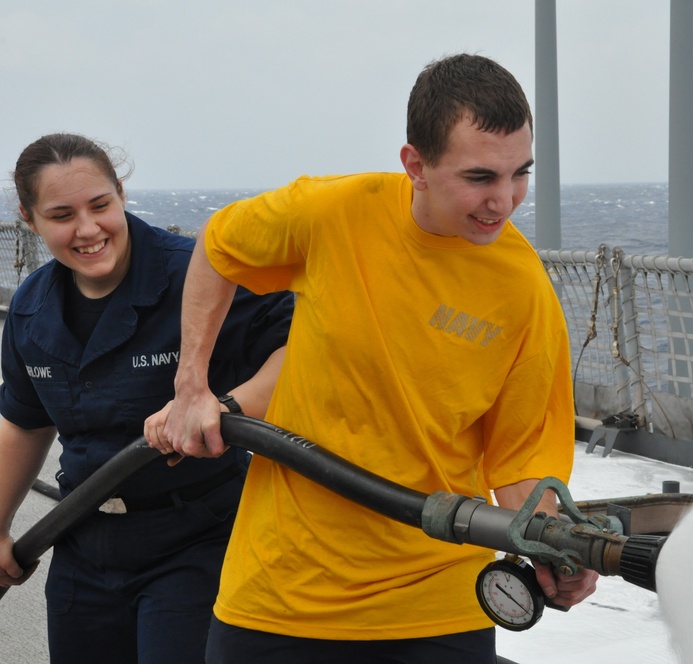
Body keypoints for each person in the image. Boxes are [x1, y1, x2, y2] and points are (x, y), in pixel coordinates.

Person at [157, 53, 598, 662]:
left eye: (519, 173)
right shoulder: (332, 213)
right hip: (281, 595)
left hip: (436, 604)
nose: (506, 199)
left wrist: (553, 546)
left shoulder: (524, 291)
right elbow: (220, 246)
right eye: (479, 178)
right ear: (415, 164)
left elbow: (521, 455)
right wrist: (191, 386)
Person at [0, 133, 295, 664]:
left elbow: (299, 351)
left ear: (121, 193)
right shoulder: (29, 309)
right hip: (81, 538)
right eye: (62, 214)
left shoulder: (201, 276)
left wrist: (227, 409)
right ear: (29, 219)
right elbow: (23, 422)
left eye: (100, 205)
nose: (88, 229)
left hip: (195, 542)